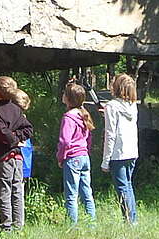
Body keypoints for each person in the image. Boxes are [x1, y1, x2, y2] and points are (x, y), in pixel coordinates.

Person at [0, 76, 32, 232]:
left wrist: (13, 138)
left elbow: (4, 133)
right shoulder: (16, 110)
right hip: (17, 156)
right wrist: (17, 138)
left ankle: (7, 227)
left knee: (4, 192)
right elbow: (26, 130)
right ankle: (18, 226)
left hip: (4, 157)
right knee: (17, 191)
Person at [102, 73, 139, 224]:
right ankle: (132, 218)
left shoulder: (111, 106)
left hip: (118, 153)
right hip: (132, 151)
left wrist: (105, 161)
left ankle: (130, 221)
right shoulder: (133, 105)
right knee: (128, 186)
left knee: (122, 189)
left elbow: (110, 134)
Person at [58, 82, 95, 225]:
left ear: (68, 98)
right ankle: (91, 223)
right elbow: (89, 137)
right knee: (87, 192)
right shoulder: (83, 114)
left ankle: (72, 226)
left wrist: (61, 157)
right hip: (84, 156)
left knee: (71, 195)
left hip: (72, 158)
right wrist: (87, 151)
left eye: (64, 93)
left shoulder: (68, 117)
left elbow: (65, 141)